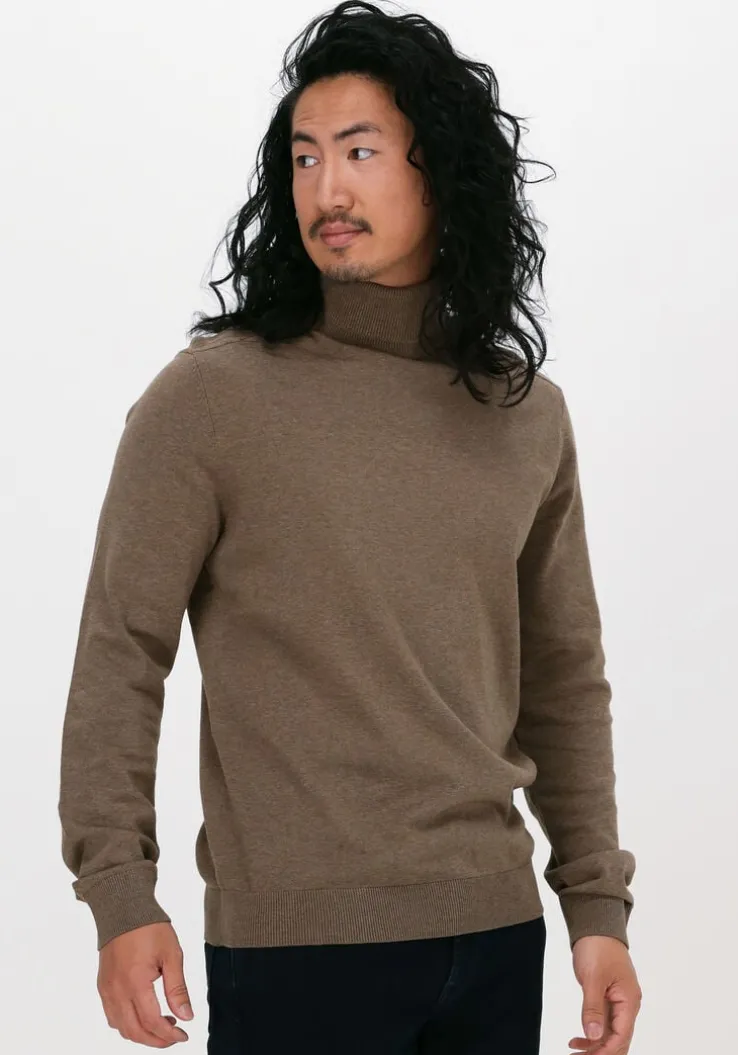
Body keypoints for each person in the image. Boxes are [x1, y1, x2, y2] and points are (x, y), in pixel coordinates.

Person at [57, 2, 642, 1052]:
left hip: (497, 934)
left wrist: (596, 907)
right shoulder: (212, 399)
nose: (328, 189)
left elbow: (563, 674)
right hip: (298, 948)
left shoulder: (523, 412)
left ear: (439, 170)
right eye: (306, 157)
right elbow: (121, 649)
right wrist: (119, 891)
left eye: (361, 151)